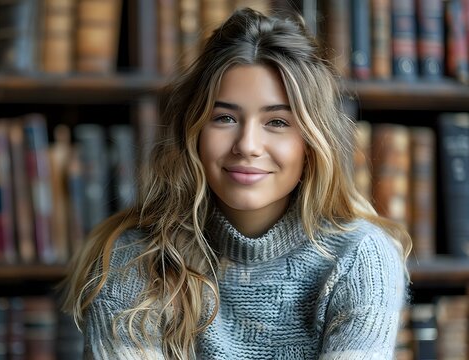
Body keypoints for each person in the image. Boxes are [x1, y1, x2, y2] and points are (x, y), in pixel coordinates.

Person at [62, 8, 410, 360]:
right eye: (224, 117)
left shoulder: (360, 258)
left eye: (277, 122)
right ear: (193, 131)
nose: (247, 145)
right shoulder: (133, 258)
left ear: (312, 141)